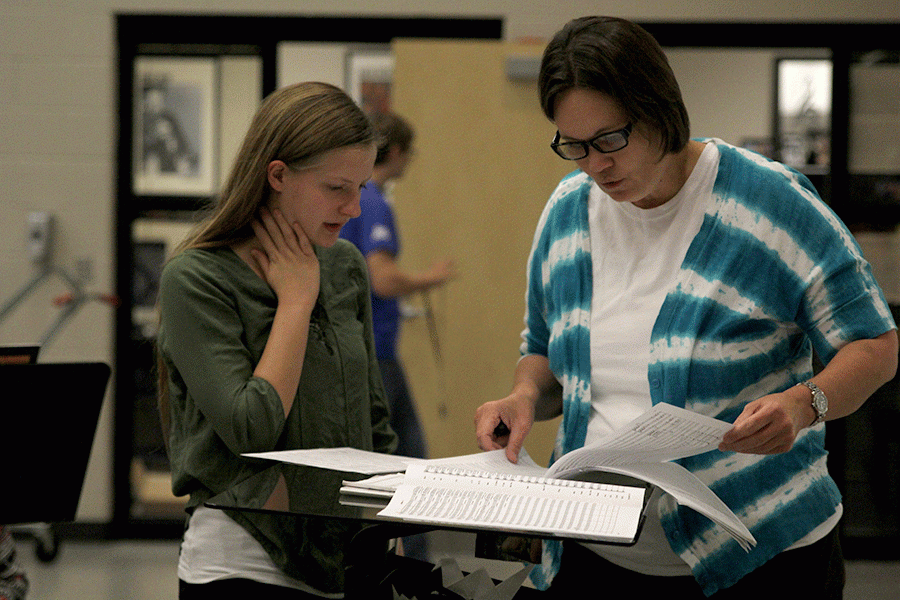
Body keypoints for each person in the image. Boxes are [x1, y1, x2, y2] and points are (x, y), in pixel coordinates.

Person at [474, 16, 898, 599]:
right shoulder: (569, 213)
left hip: (760, 551)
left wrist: (805, 404)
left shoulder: (769, 202)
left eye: (609, 139)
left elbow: (874, 345)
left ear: (658, 111)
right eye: (573, 146)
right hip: (597, 547)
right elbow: (544, 354)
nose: (594, 165)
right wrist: (522, 398)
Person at [156, 81, 398, 598]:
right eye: (336, 188)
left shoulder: (344, 266)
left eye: (361, 187)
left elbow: (373, 425)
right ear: (278, 176)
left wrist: (387, 531)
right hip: (244, 561)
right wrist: (295, 301)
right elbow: (252, 428)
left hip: (346, 557)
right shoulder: (197, 277)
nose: (353, 209)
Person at [339, 112, 454, 563]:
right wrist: (430, 279)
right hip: (377, 356)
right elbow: (382, 279)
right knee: (405, 466)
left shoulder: (359, 200)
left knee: (398, 463)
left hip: (370, 350)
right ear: (399, 152)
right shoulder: (374, 203)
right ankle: (410, 568)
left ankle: (403, 563)